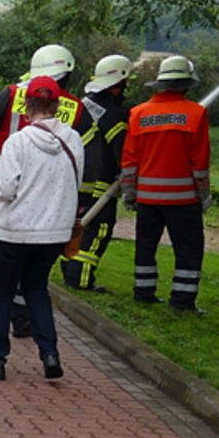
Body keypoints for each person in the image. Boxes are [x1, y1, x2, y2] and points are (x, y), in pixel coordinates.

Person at [0, 43, 91, 336]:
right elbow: (89, 159)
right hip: (49, 197)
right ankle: (22, 317)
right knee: (30, 261)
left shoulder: (7, 96)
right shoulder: (77, 109)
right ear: (67, 74)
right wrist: (81, 200)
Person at [0, 76, 85, 381]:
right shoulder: (74, 140)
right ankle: (50, 354)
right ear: (57, 106)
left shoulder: (18, 141)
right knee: (37, 290)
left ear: (27, 106)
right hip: (54, 232)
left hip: (15, 230)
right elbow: (76, 183)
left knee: (2, 293)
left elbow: (5, 189)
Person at [122, 55, 211, 312]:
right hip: (183, 200)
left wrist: (130, 192)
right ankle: (182, 301)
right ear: (186, 84)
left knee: (145, 246)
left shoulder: (138, 113)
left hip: (147, 199)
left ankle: (143, 291)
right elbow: (200, 161)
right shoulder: (196, 113)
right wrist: (204, 195)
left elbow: (130, 159)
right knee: (188, 249)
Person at [64, 55, 133, 291]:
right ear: (117, 85)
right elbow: (122, 153)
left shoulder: (81, 105)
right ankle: (81, 278)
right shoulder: (115, 115)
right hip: (101, 186)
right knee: (98, 230)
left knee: (74, 226)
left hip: (73, 180)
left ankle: (68, 267)